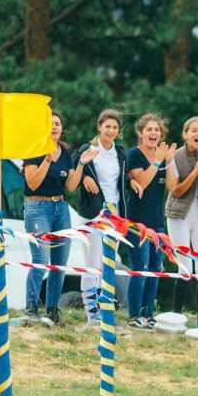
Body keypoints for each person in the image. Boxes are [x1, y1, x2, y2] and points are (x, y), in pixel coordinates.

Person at [21, 110, 87, 327]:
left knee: (60, 263)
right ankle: (31, 309)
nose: (54, 127)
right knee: (40, 259)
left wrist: (81, 164)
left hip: (61, 207)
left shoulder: (65, 152)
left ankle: (52, 311)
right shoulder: (34, 149)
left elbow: (70, 185)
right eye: (49, 124)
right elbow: (32, 183)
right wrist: (47, 159)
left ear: (61, 128)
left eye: (57, 123)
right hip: (37, 206)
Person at [74, 109, 128, 329]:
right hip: (92, 214)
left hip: (115, 215)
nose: (111, 131)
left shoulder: (120, 153)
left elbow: (123, 179)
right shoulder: (87, 150)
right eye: (107, 127)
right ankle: (91, 316)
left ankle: (105, 314)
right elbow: (72, 172)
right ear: (99, 127)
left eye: (115, 127)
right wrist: (84, 177)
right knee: (92, 265)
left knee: (108, 266)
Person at [164, 116, 198, 330]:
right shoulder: (176, 156)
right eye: (194, 130)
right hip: (179, 214)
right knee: (184, 265)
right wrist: (195, 171)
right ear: (185, 135)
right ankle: (177, 316)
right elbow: (176, 191)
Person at [124, 113, 175, 329]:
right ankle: (134, 315)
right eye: (149, 129)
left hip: (157, 221)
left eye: (157, 130)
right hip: (136, 222)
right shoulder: (134, 155)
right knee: (140, 267)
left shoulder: (162, 157)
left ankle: (148, 314)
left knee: (155, 268)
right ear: (140, 133)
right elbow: (142, 182)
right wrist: (157, 161)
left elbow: (172, 187)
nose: (153, 133)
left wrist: (169, 163)